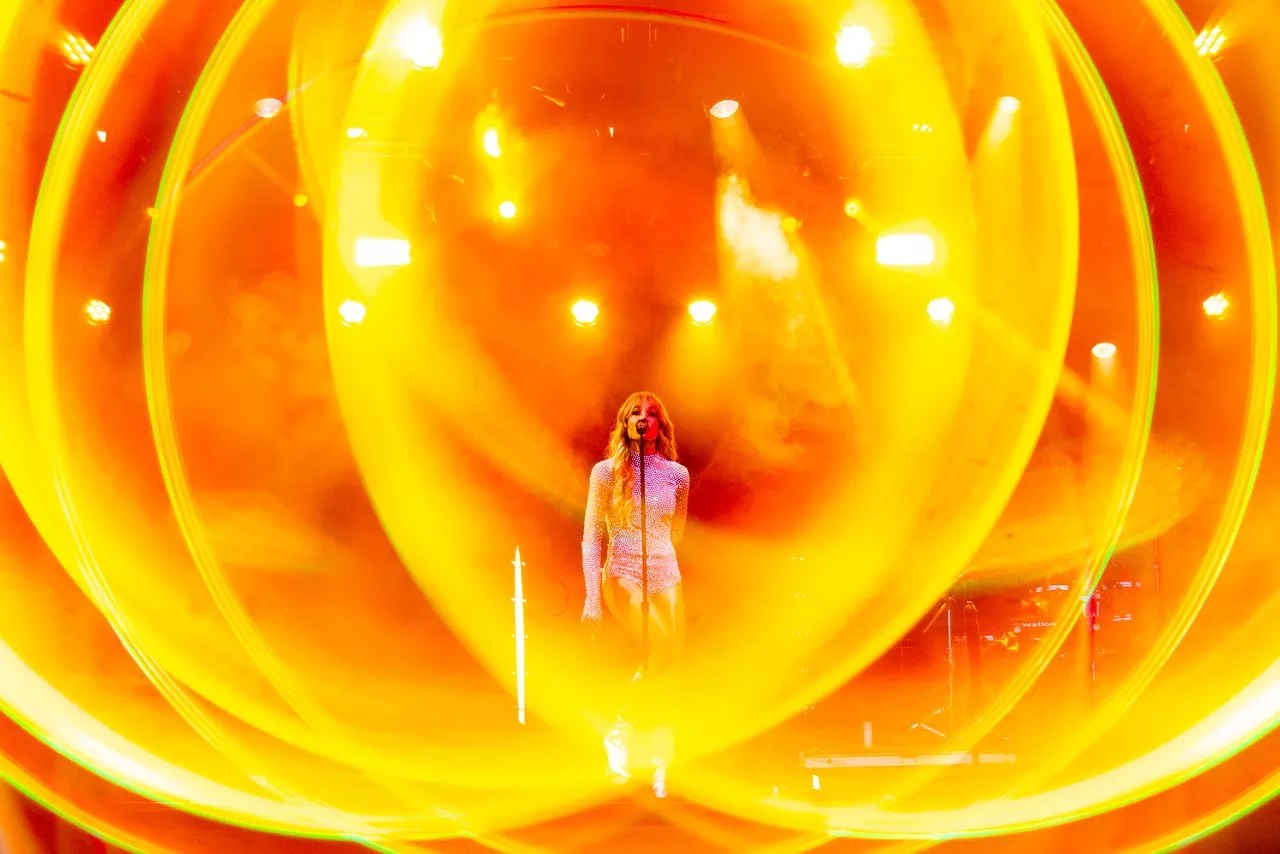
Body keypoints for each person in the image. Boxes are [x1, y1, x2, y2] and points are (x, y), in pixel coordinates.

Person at [581, 391, 689, 794]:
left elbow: (677, 530)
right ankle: (621, 735)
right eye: (635, 413)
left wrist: (661, 557)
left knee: (668, 661)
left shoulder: (678, 474)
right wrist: (593, 597)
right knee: (658, 644)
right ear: (625, 423)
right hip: (623, 569)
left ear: (661, 425)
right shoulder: (605, 473)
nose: (644, 418)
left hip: (666, 572)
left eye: (652, 413)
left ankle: (658, 755)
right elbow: (592, 537)